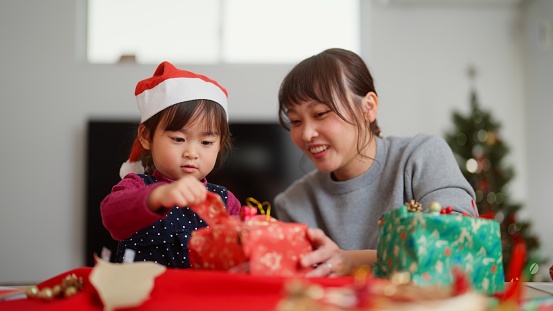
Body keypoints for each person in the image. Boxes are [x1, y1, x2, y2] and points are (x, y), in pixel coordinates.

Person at [273, 48, 477, 277]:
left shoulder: (421, 157)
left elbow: (462, 244)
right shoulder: (293, 204)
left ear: (368, 108)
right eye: (296, 121)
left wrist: (350, 261)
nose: (307, 134)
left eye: (320, 114)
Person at [101, 61, 241, 268]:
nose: (191, 153)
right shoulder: (137, 187)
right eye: (178, 139)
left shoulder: (226, 201)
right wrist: (158, 196)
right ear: (146, 136)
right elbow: (111, 216)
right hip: (144, 297)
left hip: (202, 299)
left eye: (206, 143)